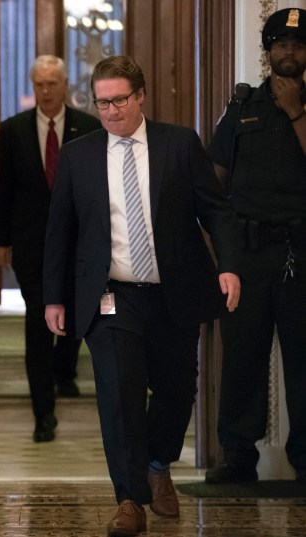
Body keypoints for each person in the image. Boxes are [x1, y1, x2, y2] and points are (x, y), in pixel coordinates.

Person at [43, 56, 241, 536]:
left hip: (174, 291)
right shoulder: (79, 155)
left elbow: (216, 211)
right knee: (119, 394)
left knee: (176, 390)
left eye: (119, 100)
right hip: (111, 297)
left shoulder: (179, 144)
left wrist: (230, 266)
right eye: (102, 101)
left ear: (141, 97)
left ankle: (158, 462)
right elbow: (60, 232)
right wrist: (54, 298)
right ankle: (129, 499)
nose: (110, 111)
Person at [204, 8, 306, 485]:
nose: (289, 52)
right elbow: (215, 178)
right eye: (281, 45)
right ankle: (237, 455)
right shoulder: (242, 104)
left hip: (299, 253)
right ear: (267, 52)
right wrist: (215, 244)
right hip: (246, 253)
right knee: (242, 356)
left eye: (298, 46)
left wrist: (295, 112)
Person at [0, 55, 101, 443]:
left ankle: (65, 372)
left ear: (65, 85)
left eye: (52, 83)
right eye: (39, 84)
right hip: (31, 244)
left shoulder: (87, 127)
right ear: (32, 86)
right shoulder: (14, 129)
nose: (46, 91)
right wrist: (0, 239)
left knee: (73, 313)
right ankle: (43, 413)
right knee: (38, 323)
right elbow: (3, 187)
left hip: (78, 244)